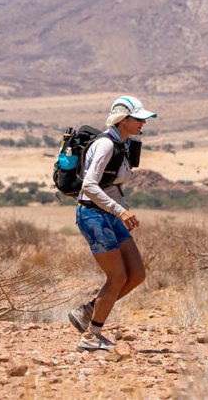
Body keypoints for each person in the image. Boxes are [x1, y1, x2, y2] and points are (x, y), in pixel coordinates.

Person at [69, 94, 155, 352]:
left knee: (137, 274)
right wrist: (121, 211)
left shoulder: (123, 144)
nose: (143, 123)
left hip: (110, 214)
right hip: (93, 216)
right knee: (117, 277)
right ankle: (91, 336)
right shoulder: (107, 145)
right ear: (123, 120)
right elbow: (90, 186)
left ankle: (88, 311)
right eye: (138, 119)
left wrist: (122, 210)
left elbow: (111, 185)